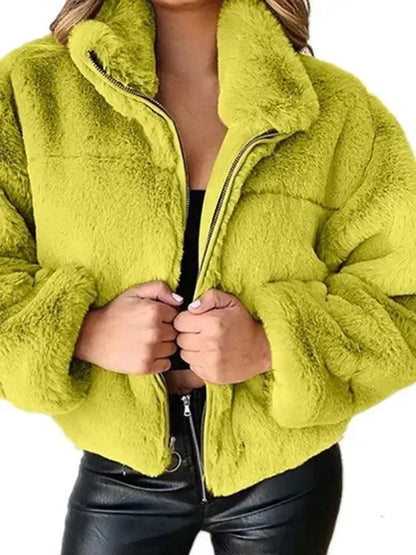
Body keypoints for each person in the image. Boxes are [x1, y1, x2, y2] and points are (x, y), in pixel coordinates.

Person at [0, 0, 415, 552]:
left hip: (285, 474)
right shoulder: (32, 89)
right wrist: (84, 331)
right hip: (120, 471)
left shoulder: (333, 107)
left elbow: (404, 293)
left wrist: (272, 344)